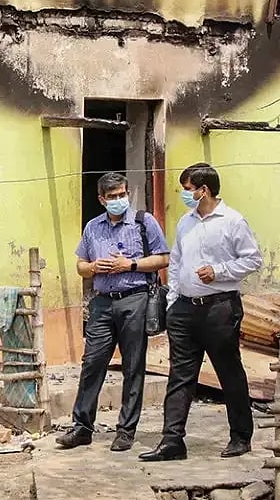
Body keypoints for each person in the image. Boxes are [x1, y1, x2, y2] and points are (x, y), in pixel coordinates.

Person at [139, 164, 260, 463]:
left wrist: (219, 272)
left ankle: (240, 437)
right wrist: (174, 300)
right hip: (185, 310)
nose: (185, 194)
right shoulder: (185, 222)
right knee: (180, 375)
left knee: (228, 372)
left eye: (188, 188)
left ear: (203, 190)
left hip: (220, 308)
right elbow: (177, 261)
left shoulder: (232, 221)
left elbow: (253, 259)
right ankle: (172, 440)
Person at [57, 172, 170, 452]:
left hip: (135, 298)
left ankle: (125, 430)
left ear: (127, 194)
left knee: (133, 366)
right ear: (101, 199)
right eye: (112, 197)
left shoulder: (144, 222)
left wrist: (129, 265)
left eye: (122, 195)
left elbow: (163, 258)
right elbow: (80, 265)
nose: (118, 200)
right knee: (92, 363)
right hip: (103, 302)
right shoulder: (93, 227)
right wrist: (95, 267)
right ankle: (82, 427)